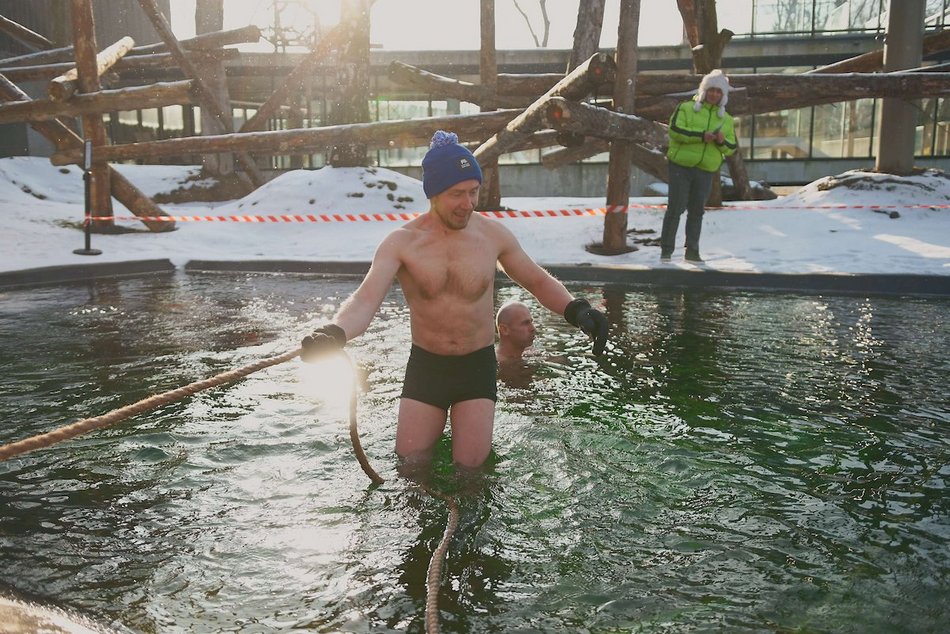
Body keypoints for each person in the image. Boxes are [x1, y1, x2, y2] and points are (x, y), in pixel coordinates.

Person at [300, 130, 608, 469]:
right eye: (457, 194)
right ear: (433, 194)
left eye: (474, 192)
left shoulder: (491, 236)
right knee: (410, 467)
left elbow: (535, 279)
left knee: (471, 472)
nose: (468, 203)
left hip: (475, 366)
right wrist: (335, 333)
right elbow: (365, 300)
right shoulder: (402, 243)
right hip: (427, 366)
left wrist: (577, 310)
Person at [660, 69, 738, 263]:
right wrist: (701, 136)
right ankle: (666, 252)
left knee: (697, 211)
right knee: (675, 208)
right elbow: (675, 131)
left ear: (723, 95)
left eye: (718, 91)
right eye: (711, 90)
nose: (714, 94)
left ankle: (692, 252)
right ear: (704, 91)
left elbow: (731, 147)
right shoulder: (685, 108)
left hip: (705, 169)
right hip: (681, 166)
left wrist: (720, 141)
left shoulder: (726, 119)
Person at [495, 300, 536, 364]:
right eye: (525, 323)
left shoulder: (530, 353)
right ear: (504, 330)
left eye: (531, 322)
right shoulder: (493, 364)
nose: (533, 328)